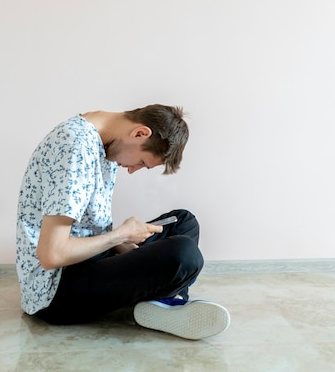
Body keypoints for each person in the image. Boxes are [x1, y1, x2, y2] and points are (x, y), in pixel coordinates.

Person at [15, 104, 229, 340]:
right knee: (184, 254)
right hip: (56, 290)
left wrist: (120, 244)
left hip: (87, 260)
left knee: (184, 221)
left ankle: (164, 302)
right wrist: (120, 236)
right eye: (142, 162)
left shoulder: (103, 144)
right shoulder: (75, 145)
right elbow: (52, 255)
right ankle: (167, 301)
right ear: (140, 133)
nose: (132, 170)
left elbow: (87, 226)